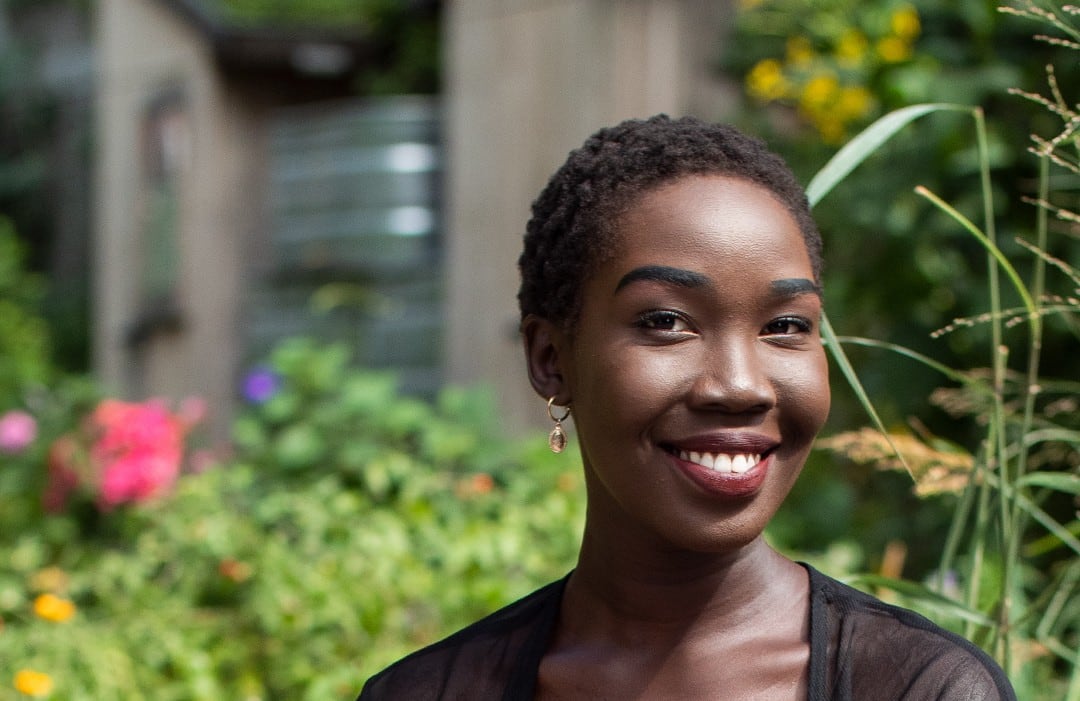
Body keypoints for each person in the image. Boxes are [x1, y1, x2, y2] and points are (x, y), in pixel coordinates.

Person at [357, 115, 1016, 700]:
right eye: (668, 320)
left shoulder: (922, 688)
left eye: (785, 325)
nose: (740, 385)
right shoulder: (429, 689)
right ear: (552, 359)